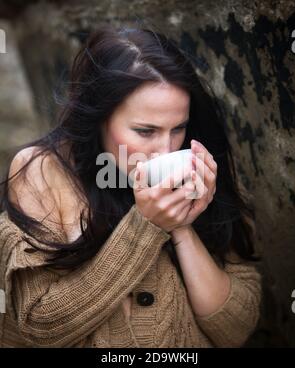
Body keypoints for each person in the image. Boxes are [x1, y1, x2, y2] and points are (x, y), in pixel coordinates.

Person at [0, 25, 261, 348]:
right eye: (145, 131)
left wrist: (180, 226)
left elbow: (235, 329)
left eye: (177, 127)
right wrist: (146, 226)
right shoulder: (43, 171)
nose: (165, 150)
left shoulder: (201, 162)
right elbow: (40, 326)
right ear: (100, 119)